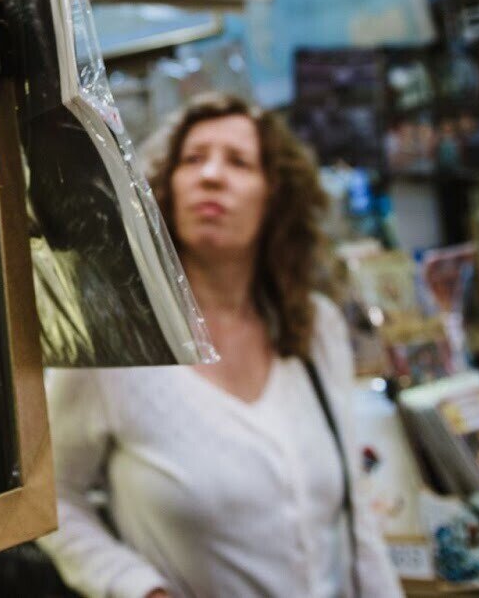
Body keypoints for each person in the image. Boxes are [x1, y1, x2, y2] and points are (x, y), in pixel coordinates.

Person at [39, 93, 402, 598]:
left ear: (275, 197)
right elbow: (52, 494)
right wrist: (137, 587)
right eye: (193, 159)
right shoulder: (116, 343)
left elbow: (354, 513)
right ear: (165, 189)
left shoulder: (315, 327)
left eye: (238, 162)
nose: (211, 175)